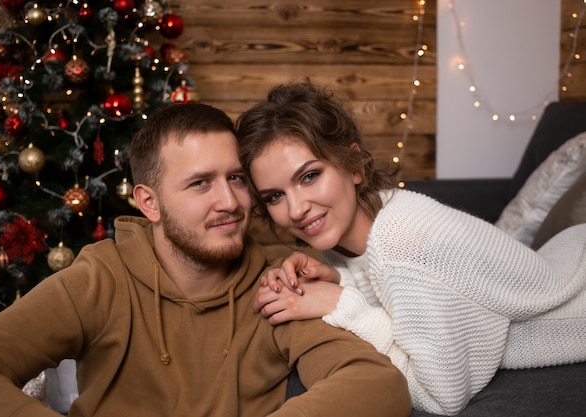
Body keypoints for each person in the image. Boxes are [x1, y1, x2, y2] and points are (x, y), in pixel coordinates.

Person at [0, 103, 412, 417]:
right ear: (149, 202)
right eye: (200, 184)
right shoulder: (101, 279)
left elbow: (376, 384)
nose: (231, 202)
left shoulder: (278, 281)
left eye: (236, 178)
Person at [235, 79, 586, 416]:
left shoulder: (401, 239)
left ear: (354, 165)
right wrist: (338, 279)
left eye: (310, 176)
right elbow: (399, 301)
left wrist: (343, 304)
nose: (296, 210)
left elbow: (442, 396)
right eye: (276, 196)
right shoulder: (365, 220)